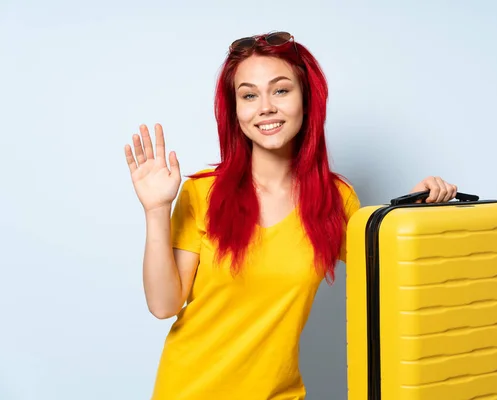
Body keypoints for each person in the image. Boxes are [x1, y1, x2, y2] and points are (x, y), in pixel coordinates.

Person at [124, 31, 458, 400]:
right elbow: (163, 305)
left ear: (307, 99)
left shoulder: (337, 199)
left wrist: (419, 213)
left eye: (280, 90)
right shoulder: (202, 193)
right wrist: (156, 211)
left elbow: (390, 277)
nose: (265, 107)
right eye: (249, 95)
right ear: (235, 111)